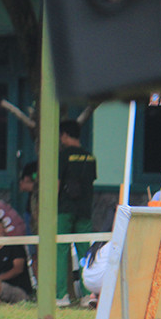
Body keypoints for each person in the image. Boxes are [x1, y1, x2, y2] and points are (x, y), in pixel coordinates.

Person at [56, 120, 96, 307]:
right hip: (84, 210)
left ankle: (61, 295)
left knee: (60, 251)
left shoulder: (63, 156)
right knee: (85, 252)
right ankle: (88, 295)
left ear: (64, 135)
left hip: (64, 210)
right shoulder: (90, 157)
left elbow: (56, 184)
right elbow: (90, 182)